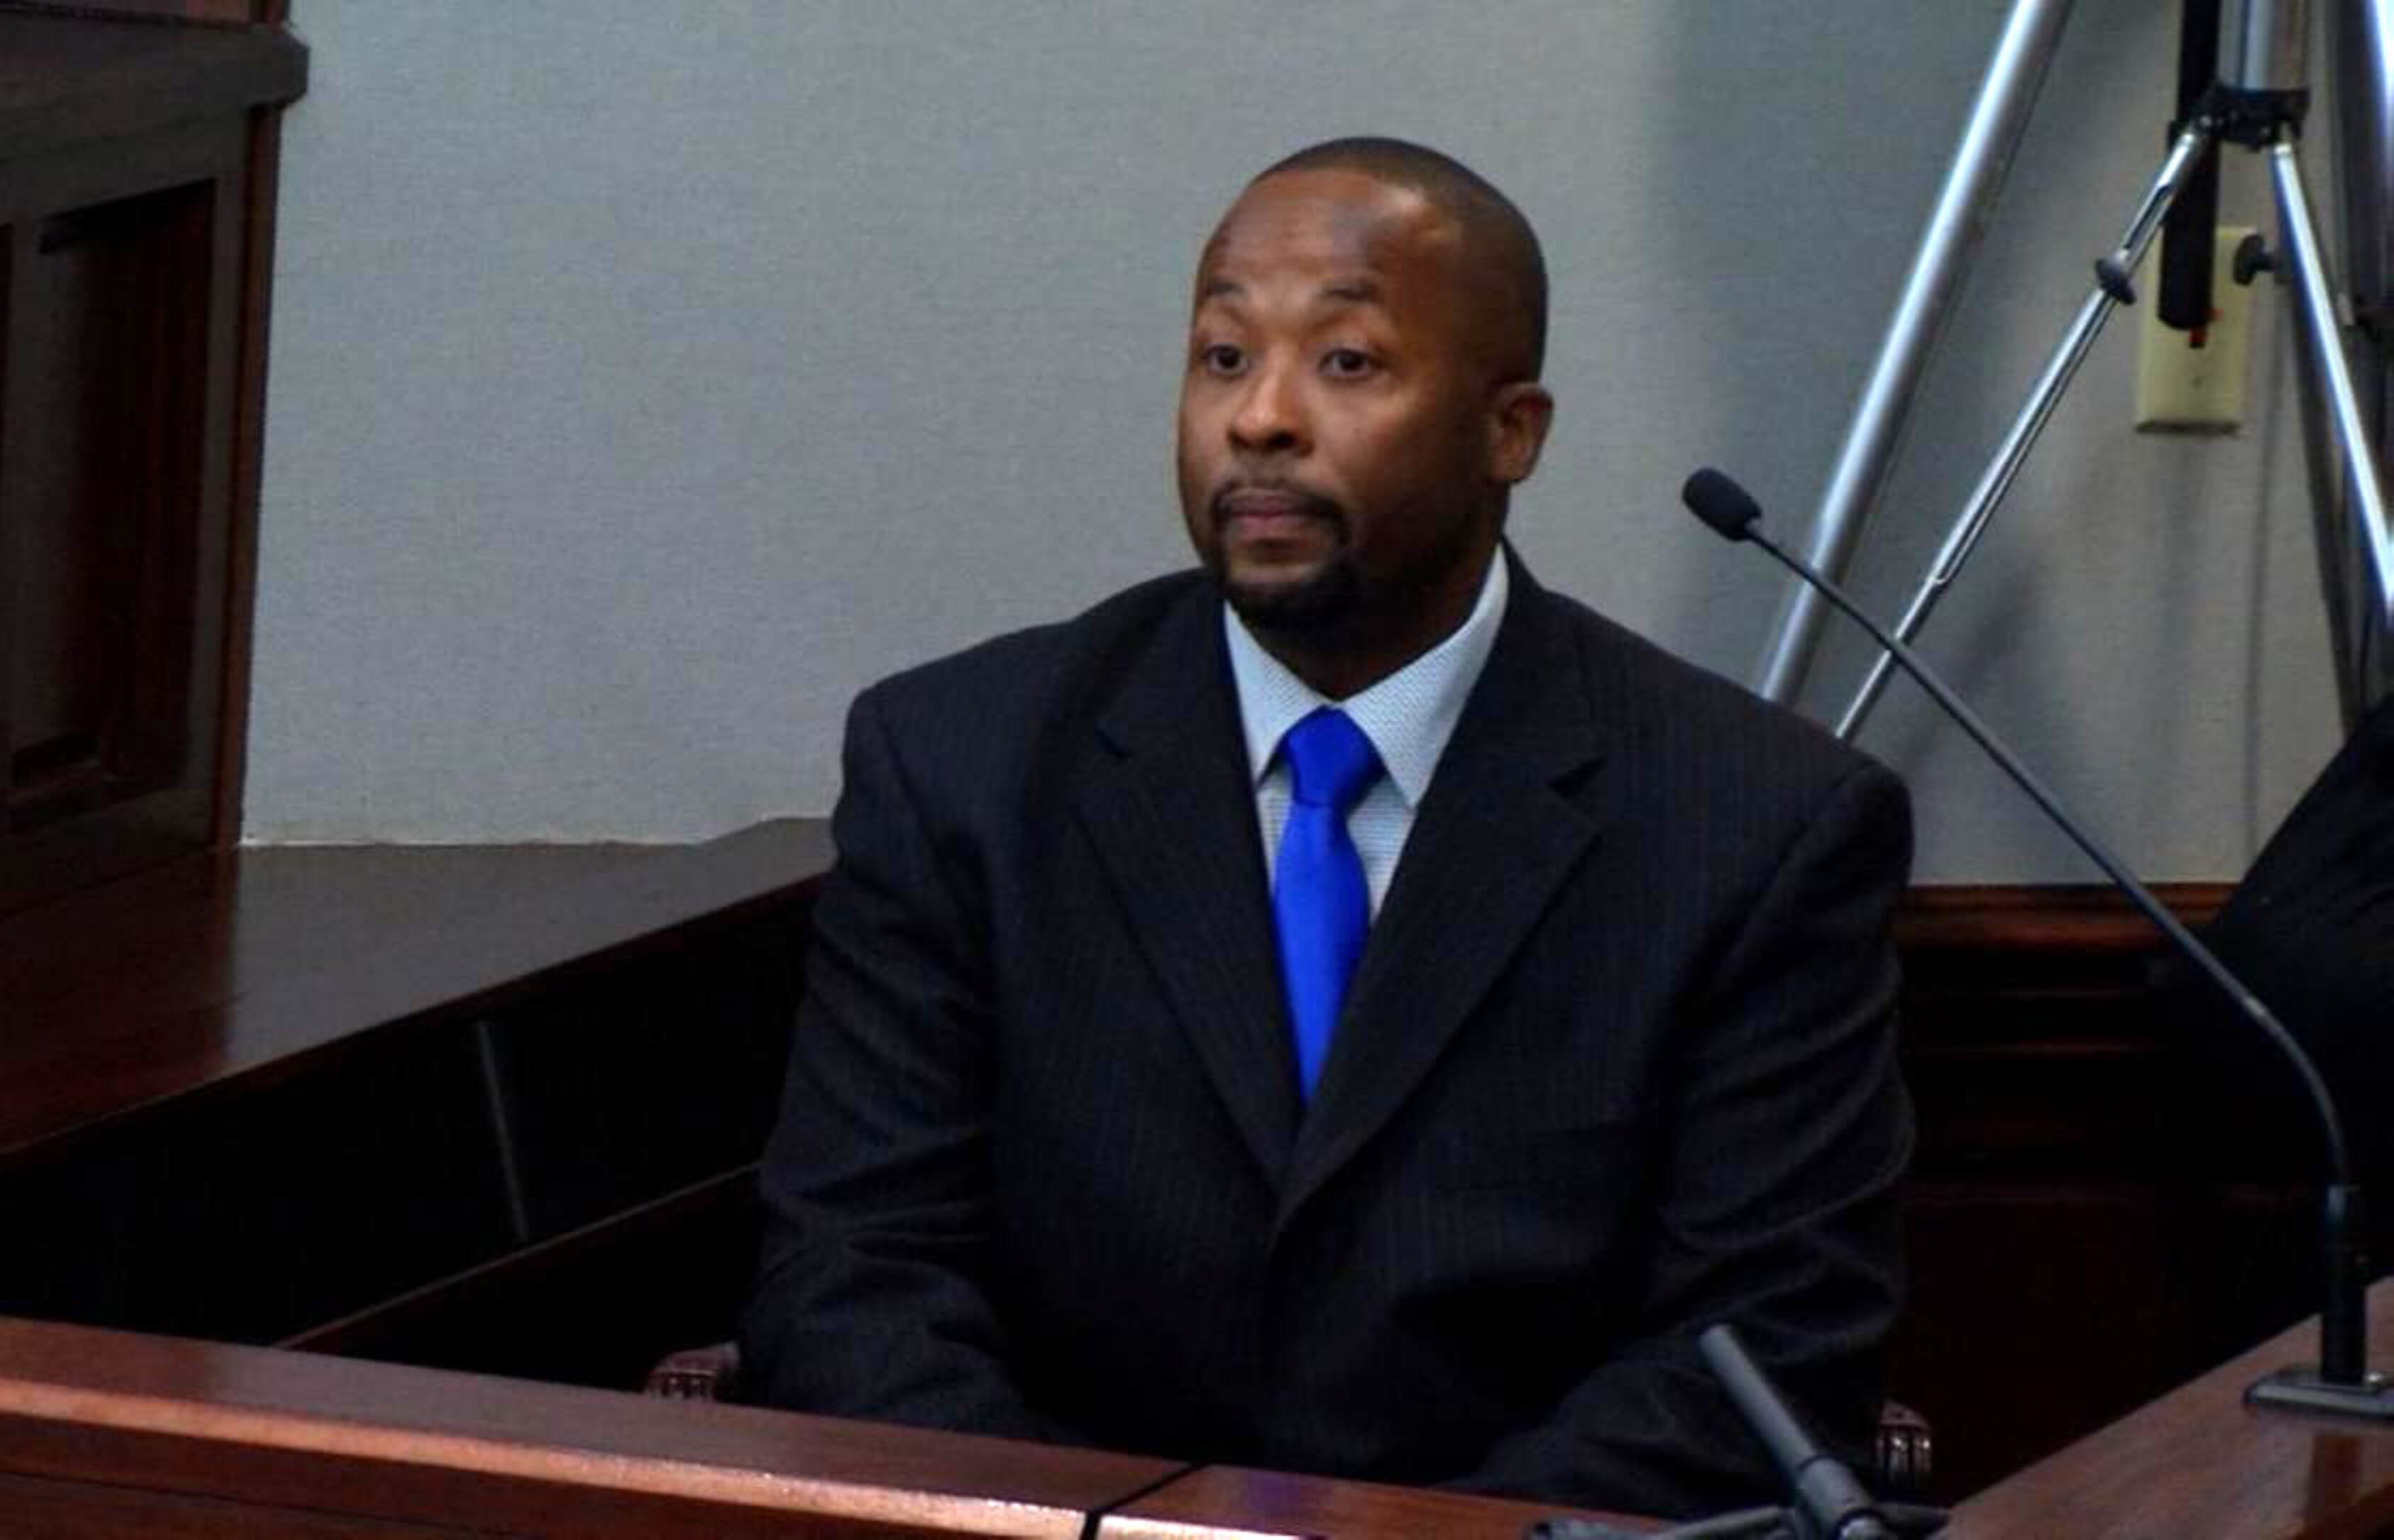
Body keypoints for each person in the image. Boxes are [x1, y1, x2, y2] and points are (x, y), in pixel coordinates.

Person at [740, 136, 1913, 1521]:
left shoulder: (1752, 822)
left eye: (1345, 363)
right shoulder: (963, 763)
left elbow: (1762, 1345)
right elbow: (854, 1272)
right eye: (1224, 357)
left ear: (1510, 429)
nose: (1260, 420)